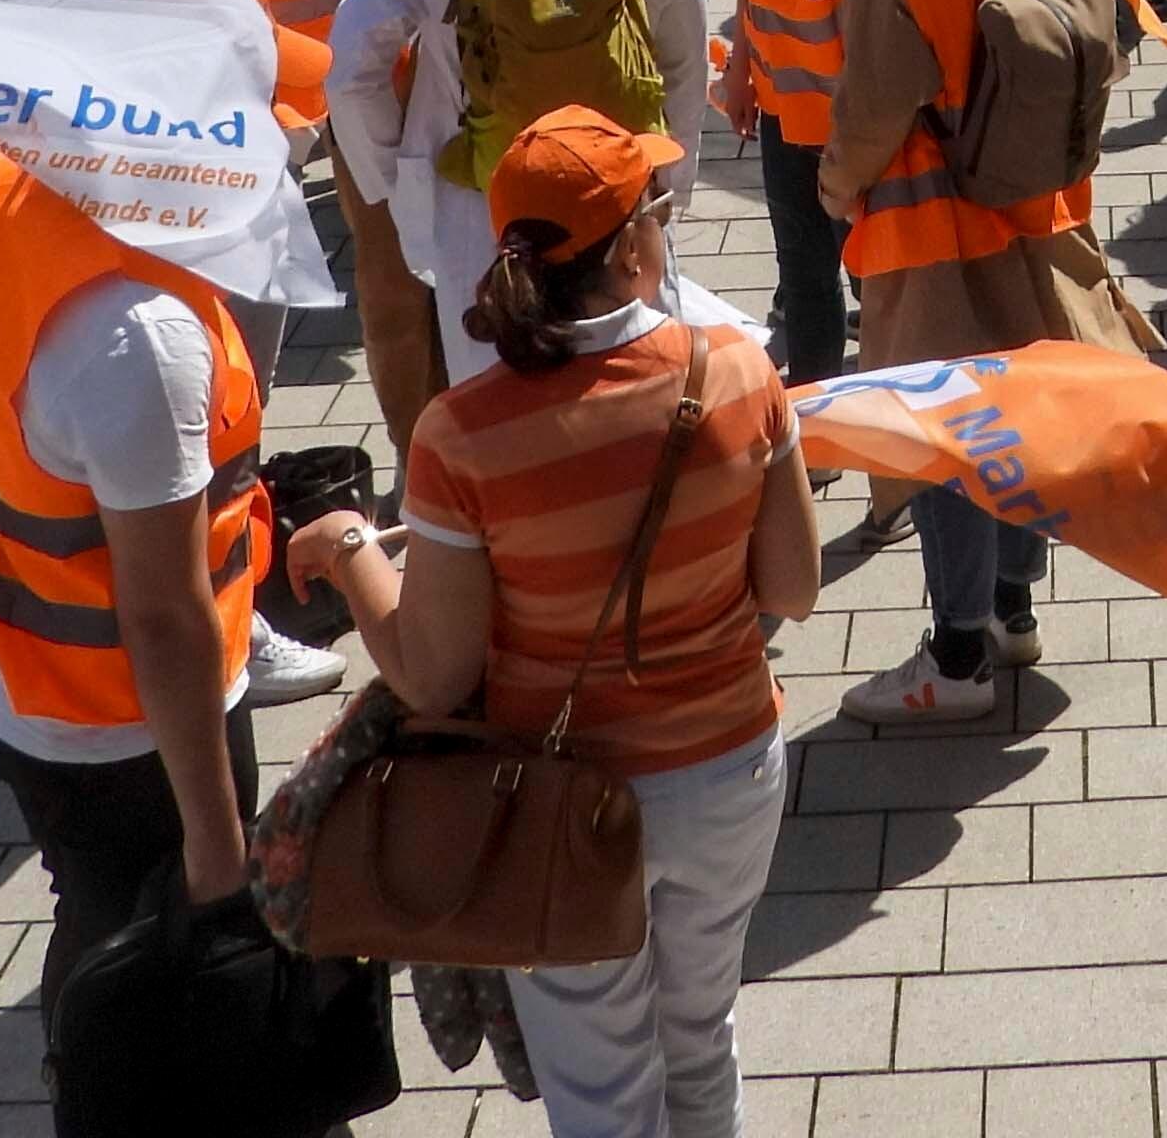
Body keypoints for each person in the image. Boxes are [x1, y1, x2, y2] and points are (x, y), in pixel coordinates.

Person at [284, 109, 818, 1138]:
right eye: (658, 208)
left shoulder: (460, 435)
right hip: (728, 769)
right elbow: (792, 588)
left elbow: (433, 673)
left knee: (603, 1085)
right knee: (701, 1033)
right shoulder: (739, 374)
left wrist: (352, 551)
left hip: (556, 798)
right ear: (630, 248)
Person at [0, 146, 270, 1016]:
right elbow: (163, 616)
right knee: (147, 970)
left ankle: (83, 1062)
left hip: (10, 676)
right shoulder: (137, 334)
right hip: (130, 730)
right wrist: (218, 844)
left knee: (94, 917)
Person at [823, 0, 1157, 728]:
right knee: (1017, 425)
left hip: (933, 238)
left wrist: (834, 190)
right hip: (1034, 226)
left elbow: (870, 114)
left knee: (949, 442)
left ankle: (957, 656)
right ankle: (1013, 610)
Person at [326, 0, 718, 403]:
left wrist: (392, 186)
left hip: (484, 211)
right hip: (621, 205)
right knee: (646, 394)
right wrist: (669, 190)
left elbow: (350, 71)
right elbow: (684, 70)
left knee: (500, 408)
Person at [718, 0, 891, 383]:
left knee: (874, 273)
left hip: (850, 124)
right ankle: (813, 407)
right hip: (784, 112)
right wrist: (740, 67)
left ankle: (886, 389)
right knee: (802, 272)